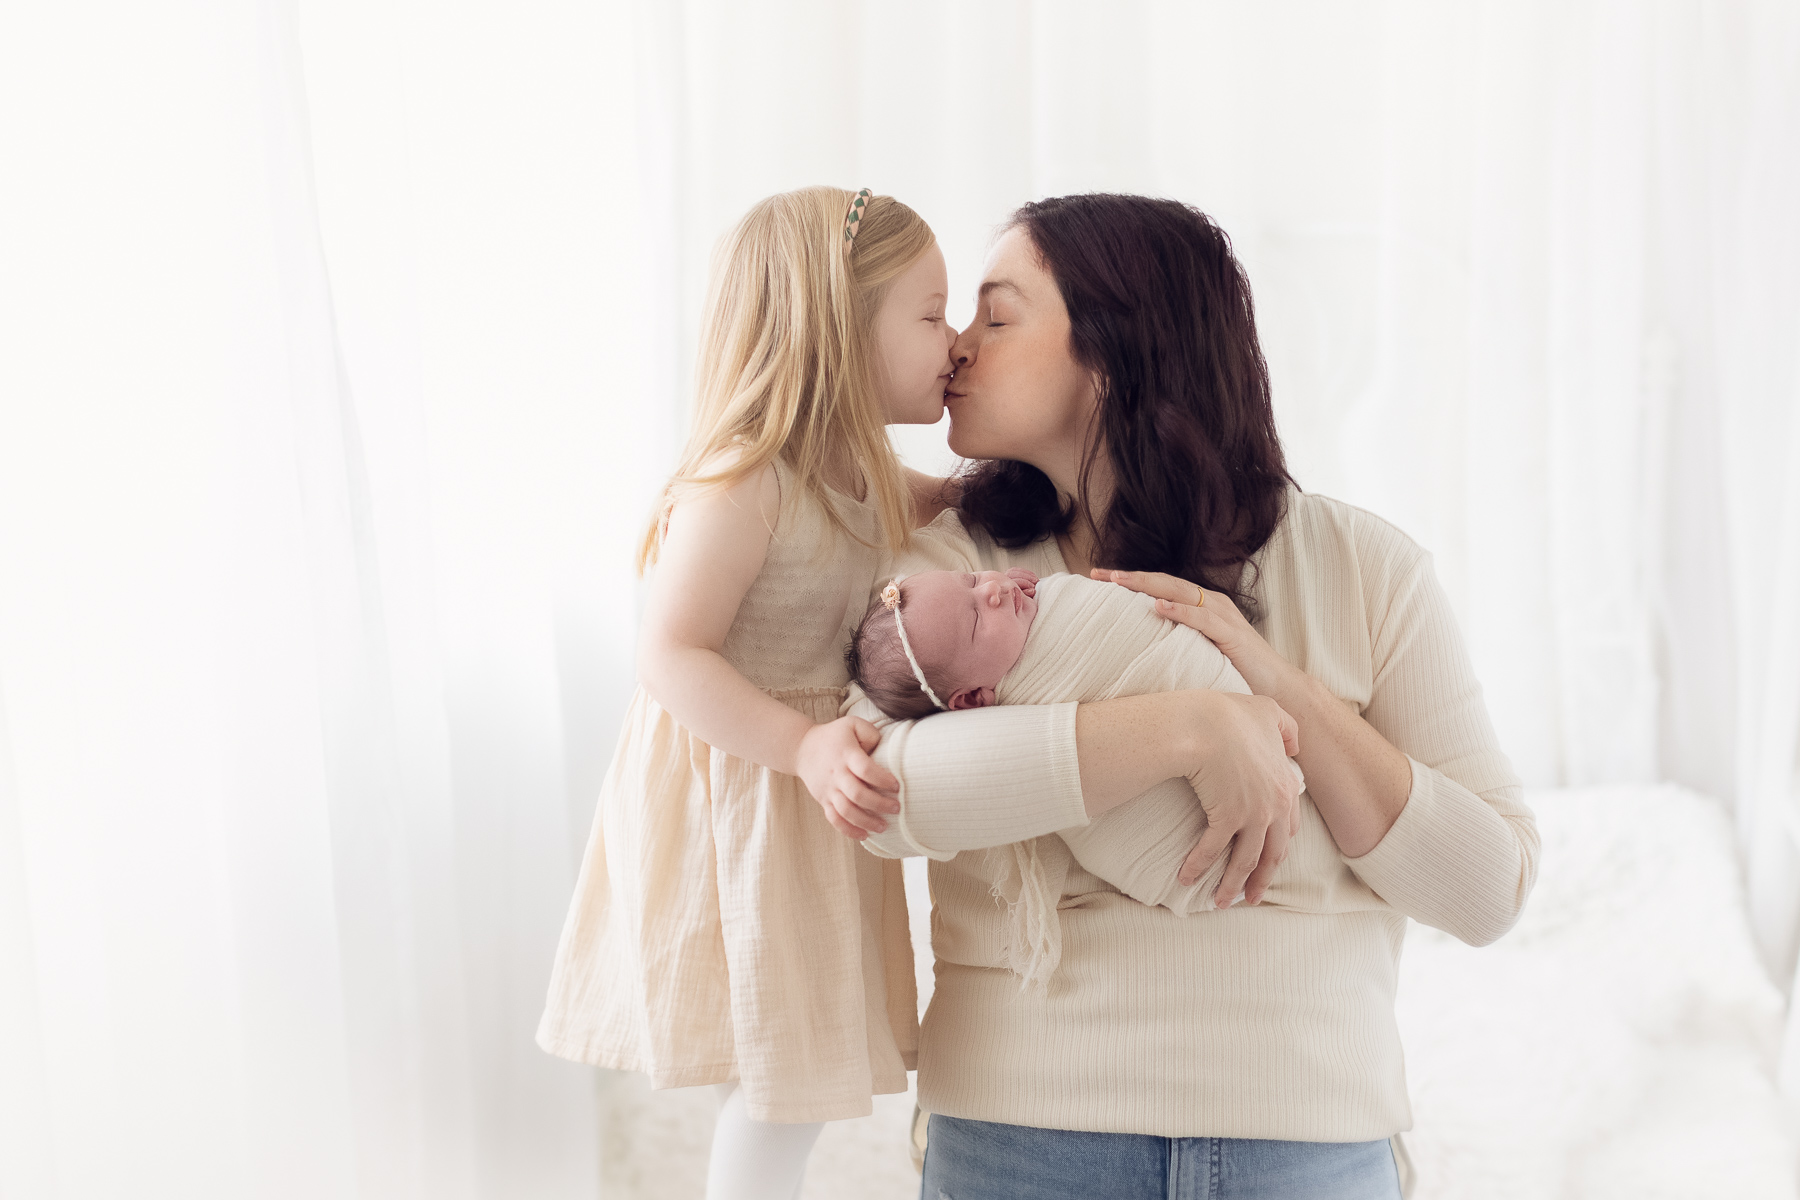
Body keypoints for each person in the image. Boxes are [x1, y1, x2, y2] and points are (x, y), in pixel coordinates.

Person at [819, 193, 1540, 1199]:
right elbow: (881, 794)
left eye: (998, 313)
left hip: (1308, 1148)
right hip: (1024, 1141)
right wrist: (1191, 728)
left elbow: (1487, 888)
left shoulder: (1367, 567)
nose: (958, 348)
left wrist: (1268, 684)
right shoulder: (957, 568)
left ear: (1112, 349)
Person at [535, 186, 950, 1200]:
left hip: (800, 799)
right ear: (840, 332)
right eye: (933, 315)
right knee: (782, 1085)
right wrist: (801, 747)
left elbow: (949, 504)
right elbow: (670, 654)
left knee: (791, 1076)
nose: (958, 340)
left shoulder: (862, 467)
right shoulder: (747, 478)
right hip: (742, 793)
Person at [844, 562, 1310, 967]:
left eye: (970, 578)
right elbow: (885, 791)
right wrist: (1202, 726)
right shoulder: (998, 691)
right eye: (975, 619)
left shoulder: (994, 613)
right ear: (971, 701)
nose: (992, 588)